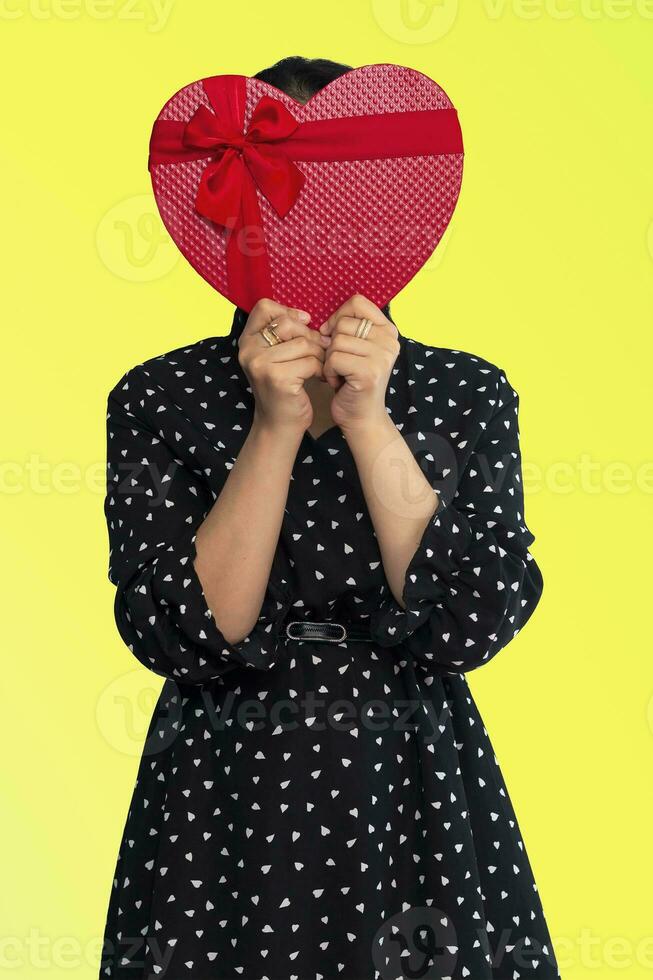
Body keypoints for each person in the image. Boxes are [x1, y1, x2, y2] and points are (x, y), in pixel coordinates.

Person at [100, 57, 560, 980]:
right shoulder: (160, 396)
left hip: (412, 776)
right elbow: (187, 632)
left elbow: (469, 616)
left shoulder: (462, 392)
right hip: (221, 788)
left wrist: (366, 414)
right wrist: (272, 427)